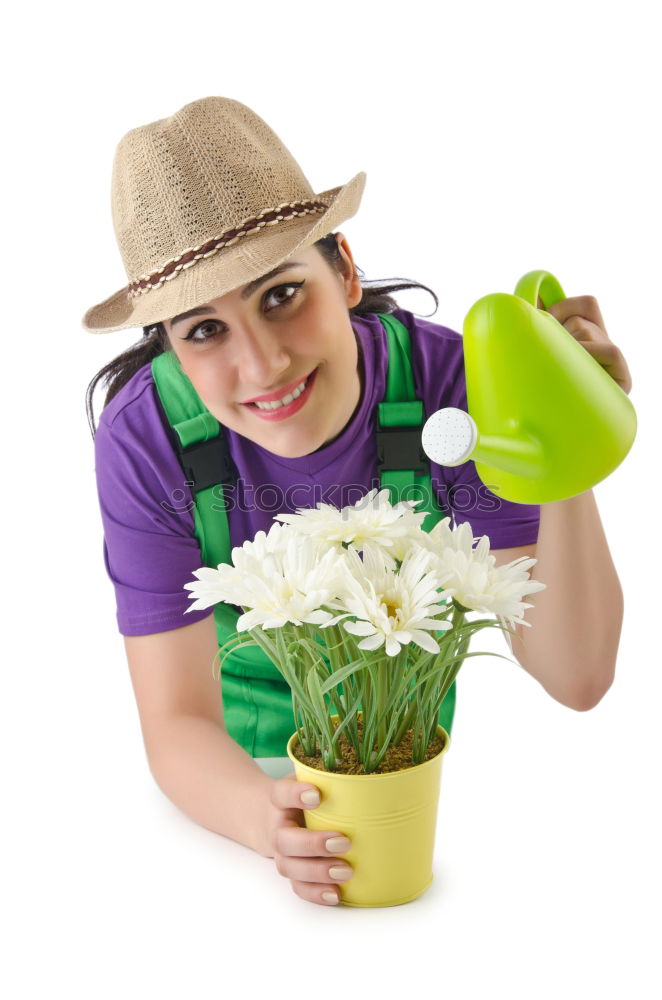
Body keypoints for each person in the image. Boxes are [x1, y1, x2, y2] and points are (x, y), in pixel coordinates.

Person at [84, 97, 630, 907]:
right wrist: (263, 822)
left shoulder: (455, 390)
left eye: (280, 296)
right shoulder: (147, 441)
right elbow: (175, 723)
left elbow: (577, 674)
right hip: (236, 789)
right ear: (165, 344)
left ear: (343, 269)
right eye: (204, 331)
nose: (263, 364)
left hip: (414, 772)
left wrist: (563, 444)